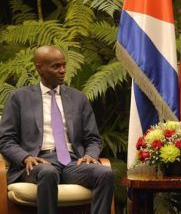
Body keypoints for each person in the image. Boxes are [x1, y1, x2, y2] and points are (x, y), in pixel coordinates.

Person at [0, 45, 114, 214]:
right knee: (48, 172)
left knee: (105, 173)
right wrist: (25, 157)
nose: (62, 70)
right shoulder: (19, 98)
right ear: (39, 68)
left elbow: (93, 138)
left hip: (72, 163)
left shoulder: (78, 98)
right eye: (56, 66)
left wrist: (90, 155)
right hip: (38, 162)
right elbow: (5, 139)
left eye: (64, 65)